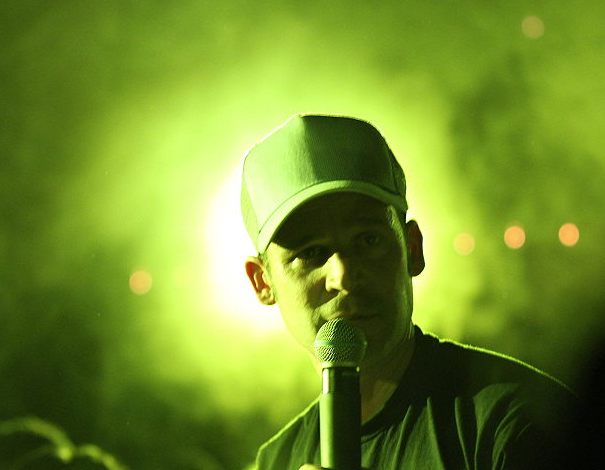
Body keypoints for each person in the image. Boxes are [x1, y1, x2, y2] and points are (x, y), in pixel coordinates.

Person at [240, 113, 576, 470]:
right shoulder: (277, 459)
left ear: (412, 249)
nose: (343, 276)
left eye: (367, 240)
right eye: (310, 253)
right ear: (263, 282)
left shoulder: (514, 421)